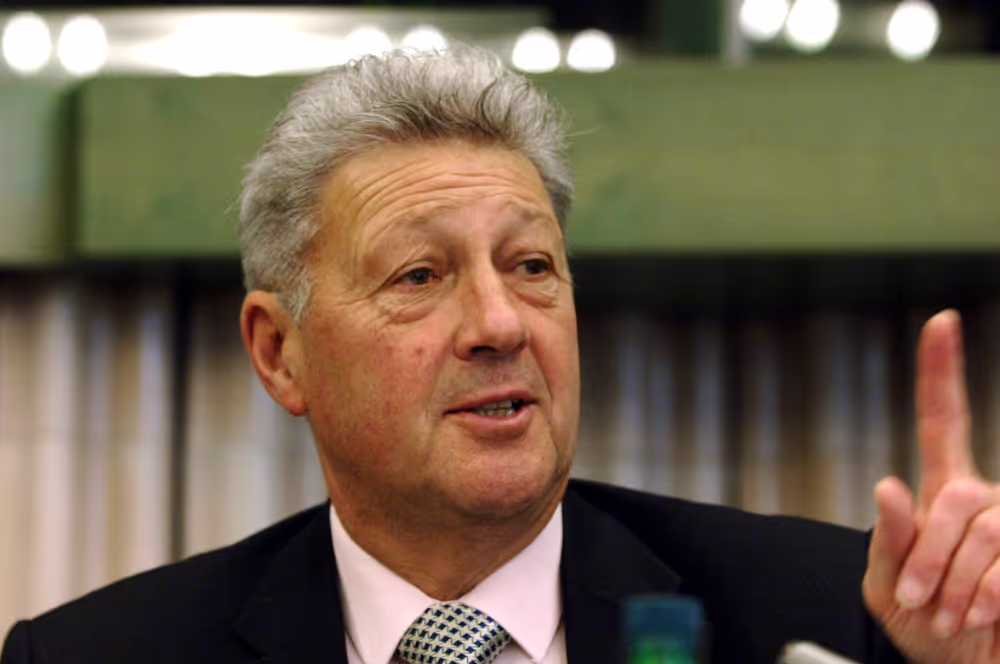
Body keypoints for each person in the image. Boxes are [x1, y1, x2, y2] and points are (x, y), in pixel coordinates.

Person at [2, 45, 998, 664]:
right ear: (279, 352)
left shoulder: (842, 616)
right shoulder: (97, 655)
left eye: (530, 266)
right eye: (419, 276)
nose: (500, 323)